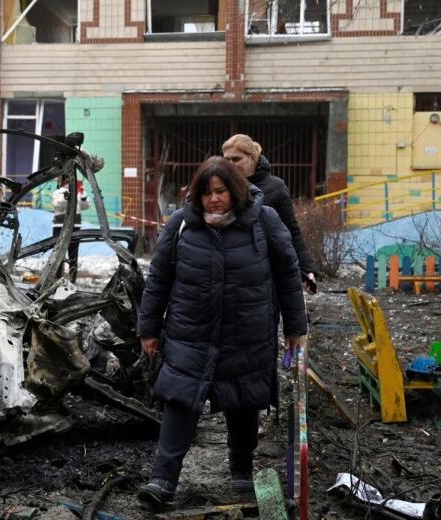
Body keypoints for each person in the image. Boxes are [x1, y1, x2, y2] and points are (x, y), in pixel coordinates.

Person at [136, 156, 307, 510]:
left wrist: (295, 327)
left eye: (222, 191)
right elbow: (158, 280)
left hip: (248, 329)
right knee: (179, 401)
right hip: (189, 332)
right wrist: (148, 329)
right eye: (207, 192)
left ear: (236, 190)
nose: (214, 199)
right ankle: (163, 480)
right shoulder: (182, 224)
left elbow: (288, 275)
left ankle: (241, 471)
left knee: (243, 400)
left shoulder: (264, 220)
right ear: (196, 194)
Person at [222, 134, 318, 292]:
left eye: (236, 159)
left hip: (265, 273)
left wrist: (307, 269)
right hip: (227, 270)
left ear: (252, 158)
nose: (230, 165)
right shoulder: (219, 187)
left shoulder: (275, 187)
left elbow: (291, 230)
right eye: (226, 160)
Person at [51, 175, 90, 282]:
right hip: (60, 226)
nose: (69, 183)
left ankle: (72, 279)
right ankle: (57, 278)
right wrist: (67, 195)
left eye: (71, 181)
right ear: (63, 182)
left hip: (75, 226)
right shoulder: (58, 192)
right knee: (59, 254)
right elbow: (58, 206)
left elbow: (85, 206)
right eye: (67, 181)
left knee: (73, 254)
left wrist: (82, 193)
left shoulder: (77, 192)